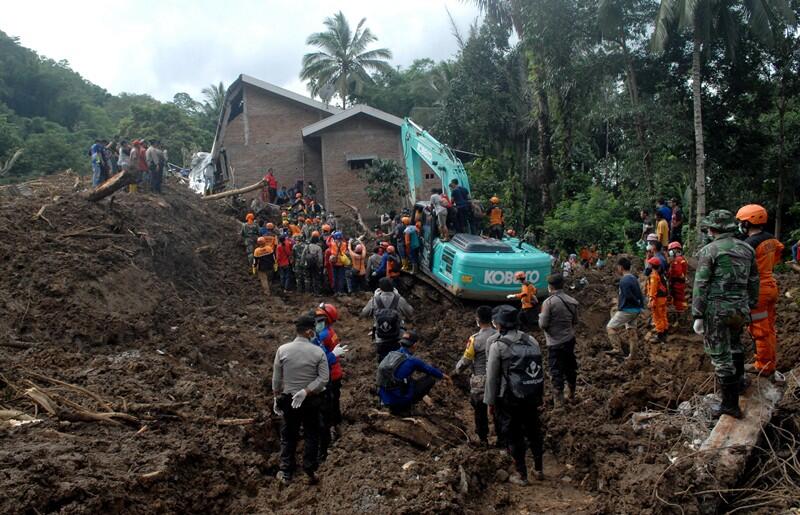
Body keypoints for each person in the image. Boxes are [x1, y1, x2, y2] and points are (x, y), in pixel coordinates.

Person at [692, 210, 759, 419]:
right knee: (736, 344)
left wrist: (698, 314)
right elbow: (754, 280)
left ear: (713, 229)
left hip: (718, 310)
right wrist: (750, 303)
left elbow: (700, 284)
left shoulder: (710, 250)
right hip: (740, 308)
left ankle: (730, 405)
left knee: (721, 356)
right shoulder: (748, 249)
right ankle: (739, 384)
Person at [484, 305, 545, 485]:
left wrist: (490, 401)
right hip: (531, 394)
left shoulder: (498, 346)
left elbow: (492, 378)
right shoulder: (532, 340)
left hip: (509, 398)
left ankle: (521, 474)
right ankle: (539, 468)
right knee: (534, 430)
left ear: (500, 326)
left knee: (514, 434)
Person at [272, 313, 329, 484]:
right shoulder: (318, 352)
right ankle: (309, 469)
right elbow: (324, 379)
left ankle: (286, 471)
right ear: (309, 332)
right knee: (312, 433)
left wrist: (276, 396)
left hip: (289, 399)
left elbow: (276, 378)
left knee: (289, 434)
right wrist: (307, 390)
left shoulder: (282, 350)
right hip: (310, 401)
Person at [736, 204, 784, 378]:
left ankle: (763, 366)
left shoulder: (748, 244)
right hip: (771, 285)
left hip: (758, 291)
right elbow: (779, 251)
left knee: (759, 330)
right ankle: (769, 362)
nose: (740, 225)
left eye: (741, 222)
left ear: (748, 222)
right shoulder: (771, 239)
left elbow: (742, 269)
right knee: (769, 327)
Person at [453, 306, 498, 445]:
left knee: (479, 409)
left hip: (480, 379)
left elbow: (466, 360)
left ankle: (483, 438)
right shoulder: (499, 335)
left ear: (477, 320)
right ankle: (502, 437)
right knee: (499, 408)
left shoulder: (475, 339)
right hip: (498, 377)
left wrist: (456, 370)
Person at [377, 331, 451, 415]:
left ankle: (397, 405)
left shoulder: (391, 354)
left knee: (407, 378)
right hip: (398, 400)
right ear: (415, 345)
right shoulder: (412, 360)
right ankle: (405, 407)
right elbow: (431, 370)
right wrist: (445, 377)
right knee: (431, 379)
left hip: (385, 398)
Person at [313, 304, 348, 461]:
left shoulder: (323, 334)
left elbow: (319, 356)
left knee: (329, 403)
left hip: (330, 374)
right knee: (335, 401)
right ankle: (336, 423)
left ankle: (331, 428)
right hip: (335, 372)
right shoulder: (330, 332)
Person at [538, 273, 579, 407]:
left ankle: (559, 403)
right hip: (569, 340)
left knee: (556, 370)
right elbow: (575, 321)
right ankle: (572, 394)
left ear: (550, 287)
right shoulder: (572, 301)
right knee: (570, 367)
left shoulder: (548, 303)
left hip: (554, 342)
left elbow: (543, 324)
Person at [360, 277, 414, 362]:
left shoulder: (375, 300)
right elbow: (410, 312)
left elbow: (364, 313)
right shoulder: (399, 299)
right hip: (397, 337)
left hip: (381, 338)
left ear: (380, 288)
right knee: (398, 361)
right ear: (393, 287)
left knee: (383, 361)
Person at [607, 257, 646, 359]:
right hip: (635, 310)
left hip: (627, 309)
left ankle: (617, 349)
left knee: (610, 327)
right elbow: (640, 295)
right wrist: (640, 306)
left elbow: (628, 296)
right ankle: (633, 355)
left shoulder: (624, 280)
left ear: (621, 267)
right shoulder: (634, 279)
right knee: (631, 331)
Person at [646, 256, 669, 343]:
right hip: (663, 299)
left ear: (651, 265)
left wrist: (651, 299)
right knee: (663, 315)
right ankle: (665, 331)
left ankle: (660, 335)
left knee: (657, 317)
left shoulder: (654, 276)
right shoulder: (661, 275)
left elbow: (653, 289)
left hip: (657, 300)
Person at [667, 242, 688, 313]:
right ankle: (682, 311)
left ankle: (681, 313)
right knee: (680, 298)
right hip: (679, 282)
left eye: (671, 250)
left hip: (677, 282)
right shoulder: (681, 258)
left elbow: (678, 272)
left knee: (679, 299)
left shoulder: (678, 260)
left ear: (675, 250)